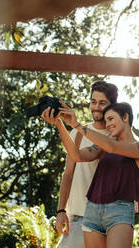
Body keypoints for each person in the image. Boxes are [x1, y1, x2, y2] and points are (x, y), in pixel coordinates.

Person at [42, 102, 139, 248]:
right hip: (92, 209)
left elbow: (113, 147)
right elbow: (76, 155)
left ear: (125, 117)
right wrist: (60, 124)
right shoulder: (103, 147)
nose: (107, 125)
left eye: (111, 119)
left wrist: (76, 124)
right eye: (106, 120)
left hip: (119, 210)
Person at [53, 80, 118, 248]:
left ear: (112, 106)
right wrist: (61, 211)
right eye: (93, 101)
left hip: (102, 222)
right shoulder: (77, 134)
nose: (96, 107)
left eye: (102, 103)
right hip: (76, 219)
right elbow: (68, 174)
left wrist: (73, 124)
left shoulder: (115, 136)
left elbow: (86, 155)